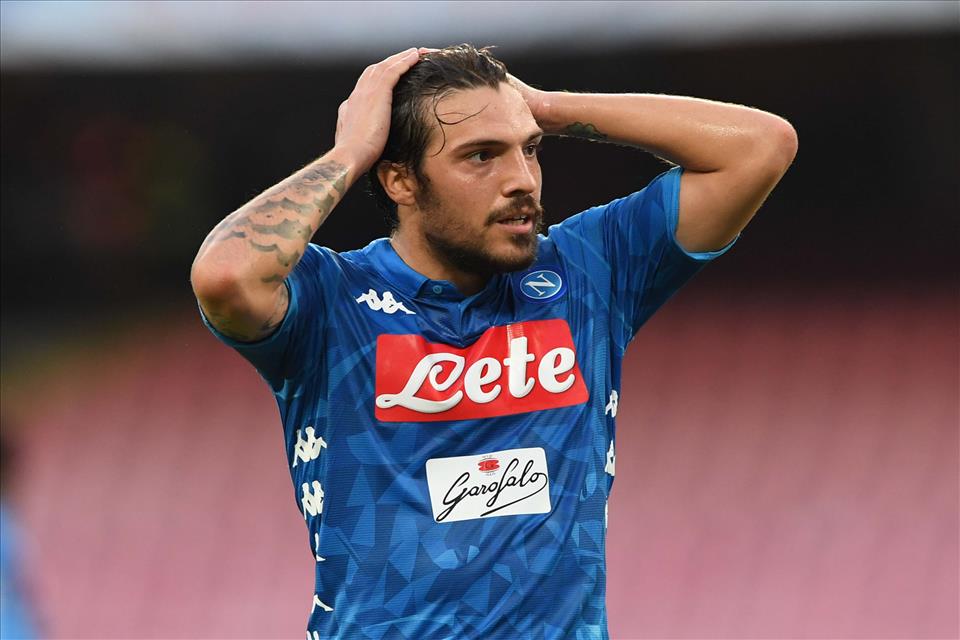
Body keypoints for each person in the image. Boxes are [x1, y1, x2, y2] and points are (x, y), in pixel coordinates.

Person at [191, 44, 796, 639]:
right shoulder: (332, 301)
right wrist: (351, 151)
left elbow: (760, 147)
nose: (521, 180)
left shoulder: (588, 271)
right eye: (481, 156)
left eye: (528, 150)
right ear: (401, 180)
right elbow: (225, 275)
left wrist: (547, 109)